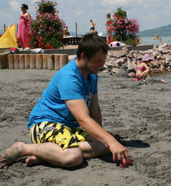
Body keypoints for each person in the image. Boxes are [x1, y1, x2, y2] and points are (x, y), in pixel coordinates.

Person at [0, 33, 131, 169]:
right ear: (83, 56)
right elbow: (83, 119)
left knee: (105, 144)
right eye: (98, 61)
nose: (102, 65)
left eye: (103, 60)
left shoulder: (92, 74)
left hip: (68, 128)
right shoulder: (69, 77)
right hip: (44, 124)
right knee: (74, 156)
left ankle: (47, 154)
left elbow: (95, 108)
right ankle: (24, 148)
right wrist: (111, 142)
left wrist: (101, 139)